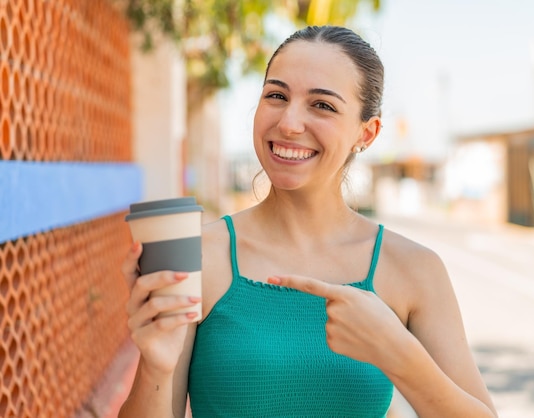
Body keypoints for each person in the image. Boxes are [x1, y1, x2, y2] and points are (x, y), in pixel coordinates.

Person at [119, 25, 498, 418]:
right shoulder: (199, 255)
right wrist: (156, 365)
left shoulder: (414, 269)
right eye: (277, 96)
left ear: (366, 134)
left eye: (322, 105)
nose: (289, 123)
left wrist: (399, 354)